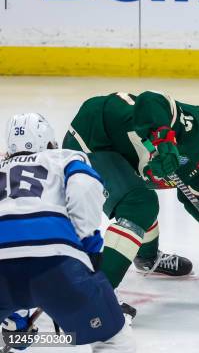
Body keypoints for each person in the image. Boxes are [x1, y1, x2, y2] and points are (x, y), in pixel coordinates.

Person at [62, 91, 199, 318]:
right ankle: (94, 296)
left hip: (122, 156)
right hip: (93, 138)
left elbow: (196, 196)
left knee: (141, 202)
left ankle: (147, 258)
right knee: (139, 204)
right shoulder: (193, 125)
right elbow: (150, 101)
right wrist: (164, 140)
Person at [0, 113, 135, 351]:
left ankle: (14, 318)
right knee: (113, 338)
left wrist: (16, 321)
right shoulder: (63, 158)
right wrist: (88, 250)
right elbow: (84, 187)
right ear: (50, 143)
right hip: (53, 265)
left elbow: (13, 247)